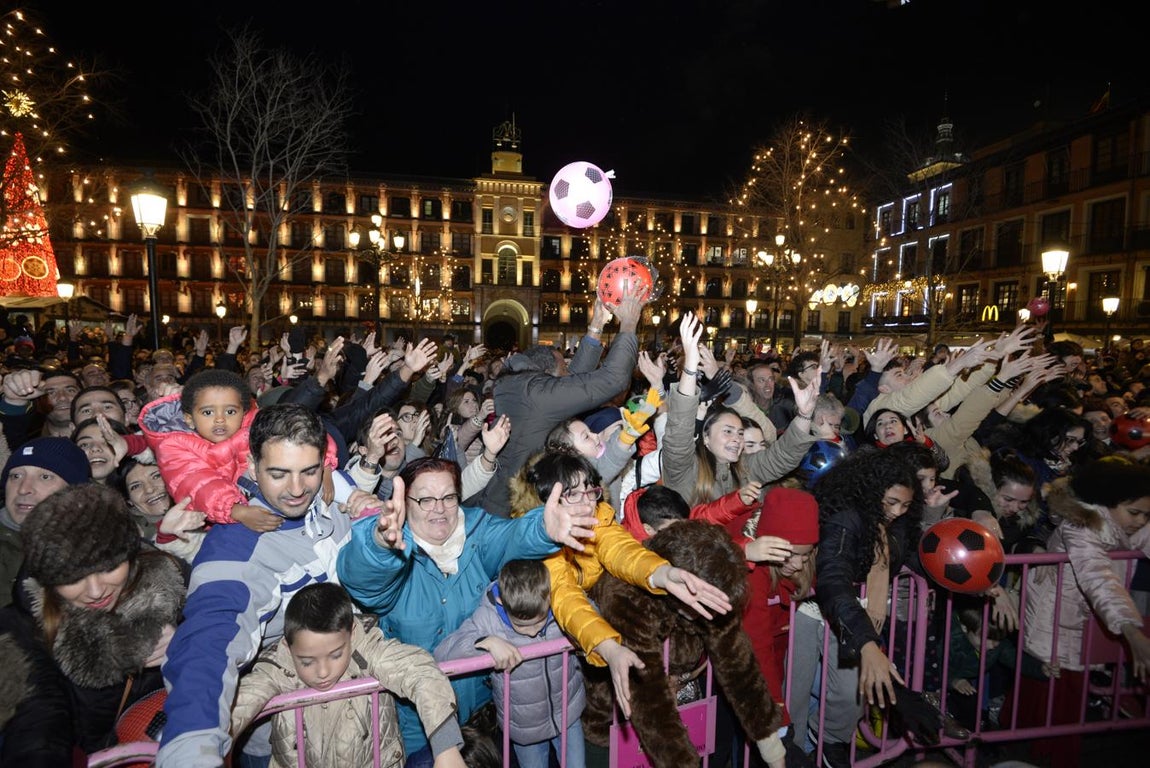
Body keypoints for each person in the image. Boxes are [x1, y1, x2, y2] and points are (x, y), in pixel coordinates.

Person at [336, 456, 600, 765]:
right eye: (425, 500)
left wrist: (542, 528)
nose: (439, 508)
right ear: (404, 503)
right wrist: (380, 546)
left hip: (485, 716)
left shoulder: (477, 532)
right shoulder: (394, 550)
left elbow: (512, 538)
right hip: (421, 725)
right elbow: (362, 580)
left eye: (448, 497)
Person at [157, 403, 375, 768]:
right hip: (282, 737)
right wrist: (191, 745)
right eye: (278, 474)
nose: (296, 489)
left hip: (364, 717)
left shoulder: (337, 505)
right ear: (251, 467)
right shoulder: (235, 547)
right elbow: (209, 640)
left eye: (309, 471)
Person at [512, 449, 731, 718]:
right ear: (548, 500)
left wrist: (662, 573)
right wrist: (608, 646)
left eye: (589, 490)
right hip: (545, 639)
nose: (586, 502)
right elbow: (565, 596)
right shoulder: (538, 543)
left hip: (587, 631)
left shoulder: (599, 518)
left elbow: (622, 551)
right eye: (572, 494)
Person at [2, 483, 185, 755]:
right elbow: (36, 723)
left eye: (108, 567)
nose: (96, 591)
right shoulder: (22, 629)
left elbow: (236, 649)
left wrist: (188, 641)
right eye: (72, 577)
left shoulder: (175, 581)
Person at [1008, 458, 1150, 768]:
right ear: (1107, 502)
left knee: (1067, 692)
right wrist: (1131, 630)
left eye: (1147, 514)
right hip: (1054, 615)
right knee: (1049, 690)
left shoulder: (1125, 522)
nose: (1141, 521)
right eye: (1135, 512)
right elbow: (1098, 576)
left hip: (1083, 616)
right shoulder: (1081, 525)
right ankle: (1034, 755)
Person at [231, 582, 465, 768]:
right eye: (306, 661)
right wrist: (214, 741)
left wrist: (446, 747)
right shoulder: (278, 666)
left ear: (352, 633)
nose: (323, 672)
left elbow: (420, 672)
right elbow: (240, 701)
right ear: (287, 645)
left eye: (335, 655)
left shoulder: (367, 650)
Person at [477, 282, 649, 516]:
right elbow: (614, 379)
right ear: (548, 373)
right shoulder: (537, 393)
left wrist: (596, 325)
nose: (568, 373)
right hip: (515, 513)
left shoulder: (518, 384)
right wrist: (628, 324)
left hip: (507, 502)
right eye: (563, 369)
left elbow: (574, 378)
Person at [140, 368, 342, 532]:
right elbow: (195, 483)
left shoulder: (255, 422)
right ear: (189, 419)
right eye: (208, 412)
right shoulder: (173, 446)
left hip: (275, 499)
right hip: (225, 520)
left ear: (243, 411)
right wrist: (236, 511)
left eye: (230, 411)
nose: (220, 419)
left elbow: (305, 434)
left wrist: (325, 468)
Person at [434, 559, 585, 768]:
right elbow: (443, 653)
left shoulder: (561, 599)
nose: (533, 632)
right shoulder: (490, 617)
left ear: (549, 595)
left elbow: (590, 615)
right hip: (524, 726)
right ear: (501, 601)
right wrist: (485, 642)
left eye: (539, 621)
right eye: (523, 626)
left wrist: (582, 629)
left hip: (568, 712)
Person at [725, 486, 819, 756]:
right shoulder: (750, 569)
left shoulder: (801, 560)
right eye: (791, 554)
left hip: (777, 652)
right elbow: (757, 645)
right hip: (741, 663)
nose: (799, 564)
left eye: (806, 554)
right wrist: (777, 719)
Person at [0, 437, 91, 608]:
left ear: (75, 492)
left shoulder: (102, 550)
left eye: (45, 477)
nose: (23, 489)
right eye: (16, 476)